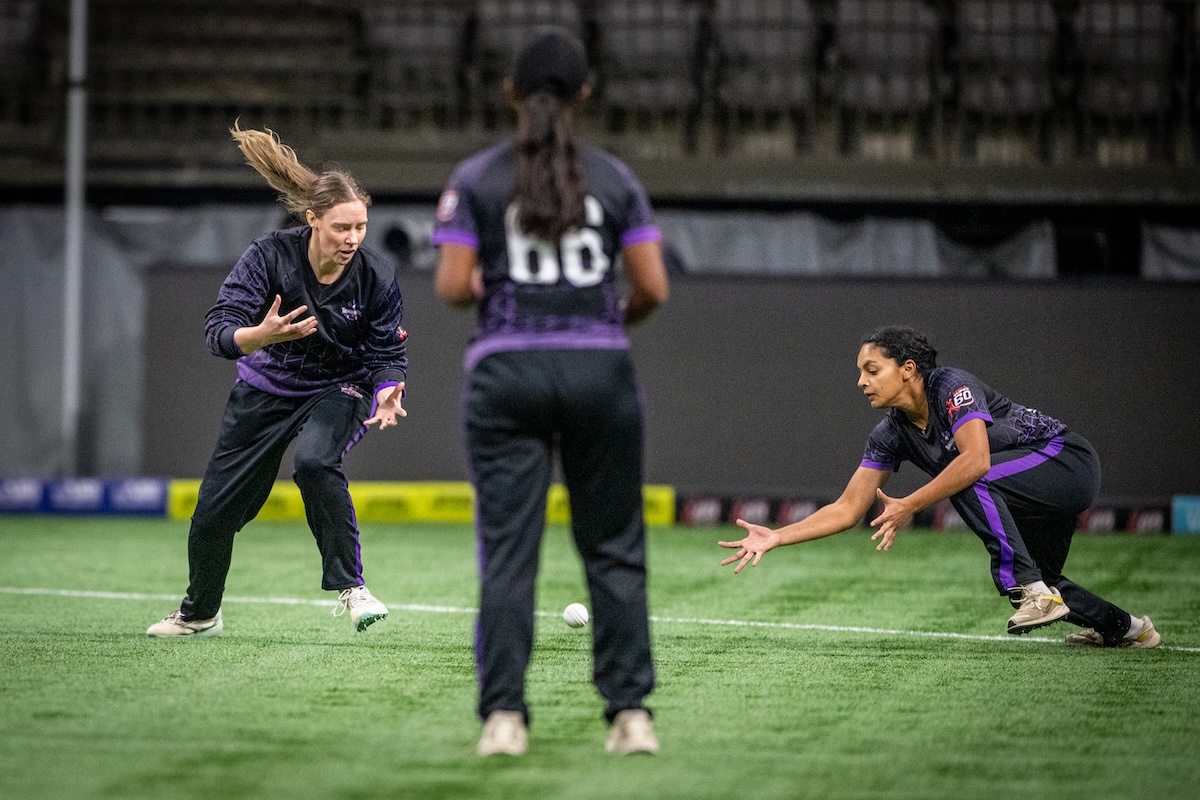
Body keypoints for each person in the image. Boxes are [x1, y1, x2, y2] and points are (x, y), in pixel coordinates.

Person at [432, 28, 670, 756]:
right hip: (600, 372)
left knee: (508, 554)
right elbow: (652, 288)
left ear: (510, 93)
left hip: (507, 375)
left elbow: (450, 288)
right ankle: (630, 717)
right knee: (614, 549)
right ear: (586, 95)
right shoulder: (616, 179)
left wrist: (495, 290)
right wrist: (600, 318)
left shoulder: (475, 179)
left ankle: (503, 719)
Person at [719, 325, 1159, 649]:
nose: (861, 382)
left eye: (872, 370)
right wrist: (777, 535)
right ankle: (1127, 628)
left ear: (908, 368)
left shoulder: (951, 386)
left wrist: (908, 503)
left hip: (1066, 462)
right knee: (1047, 578)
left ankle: (1030, 590)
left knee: (968, 476)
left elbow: (976, 461)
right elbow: (848, 508)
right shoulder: (889, 433)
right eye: (860, 372)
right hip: (1029, 489)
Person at [148, 124, 408, 638]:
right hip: (266, 388)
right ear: (312, 220)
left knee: (314, 462)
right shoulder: (268, 257)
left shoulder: (376, 275)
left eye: (360, 227)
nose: (352, 239)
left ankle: (353, 589)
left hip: (340, 388)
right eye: (341, 228)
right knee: (213, 515)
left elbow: (386, 351)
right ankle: (200, 615)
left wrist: (386, 387)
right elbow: (217, 331)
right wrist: (259, 336)